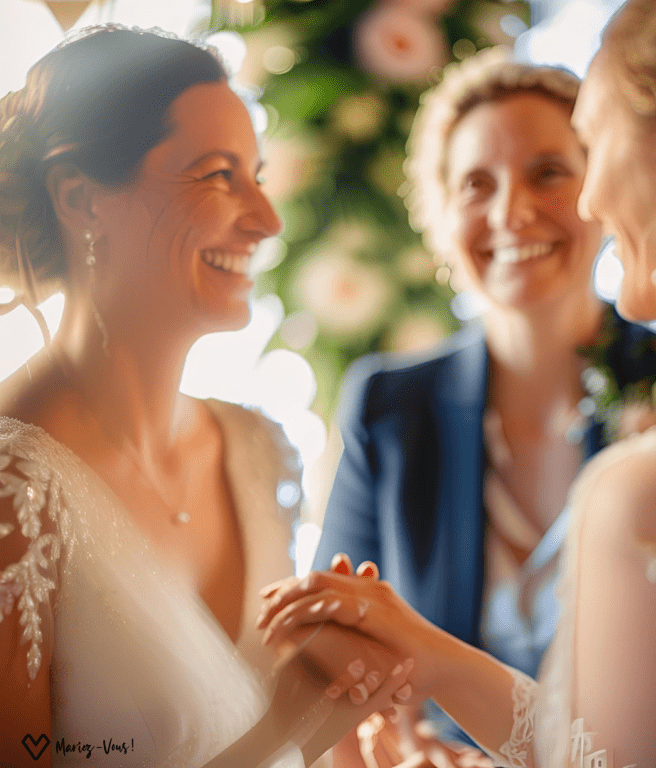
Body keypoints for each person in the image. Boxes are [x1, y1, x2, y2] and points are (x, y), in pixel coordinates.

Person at [260, 1, 656, 765]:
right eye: (475, 184)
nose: (515, 211)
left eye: (562, 167)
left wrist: (434, 663)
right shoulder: (389, 405)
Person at [0, 26, 414, 768]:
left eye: (256, 172)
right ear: (82, 200)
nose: (267, 220)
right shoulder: (11, 494)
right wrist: (289, 723)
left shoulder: (258, 451)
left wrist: (358, 716)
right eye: (218, 175)